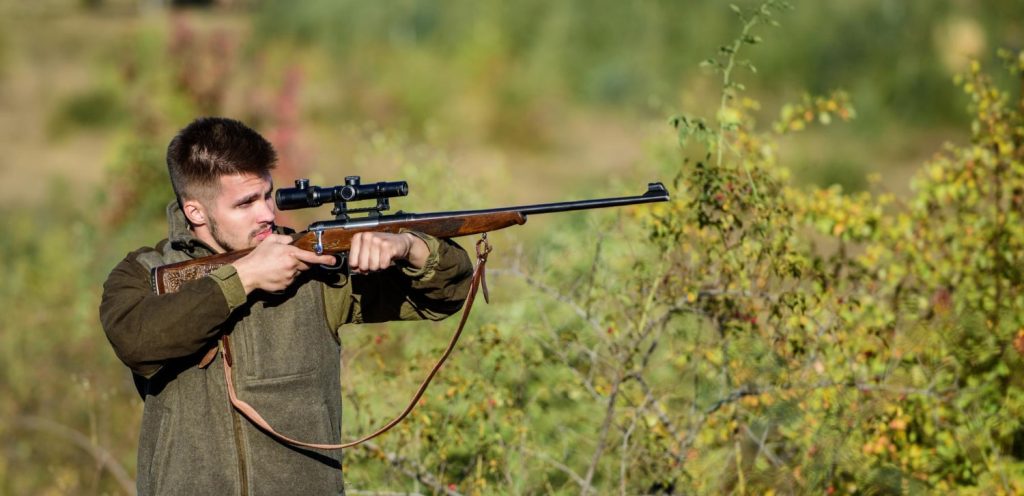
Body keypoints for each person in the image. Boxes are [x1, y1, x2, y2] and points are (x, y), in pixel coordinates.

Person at [99, 117, 473, 495]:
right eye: (245, 203)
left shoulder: (313, 268)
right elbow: (136, 340)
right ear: (195, 211)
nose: (266, 214)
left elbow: (445, 297)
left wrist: (411, 248)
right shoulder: (143, 272)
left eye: (266, 195)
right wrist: (244, 279)